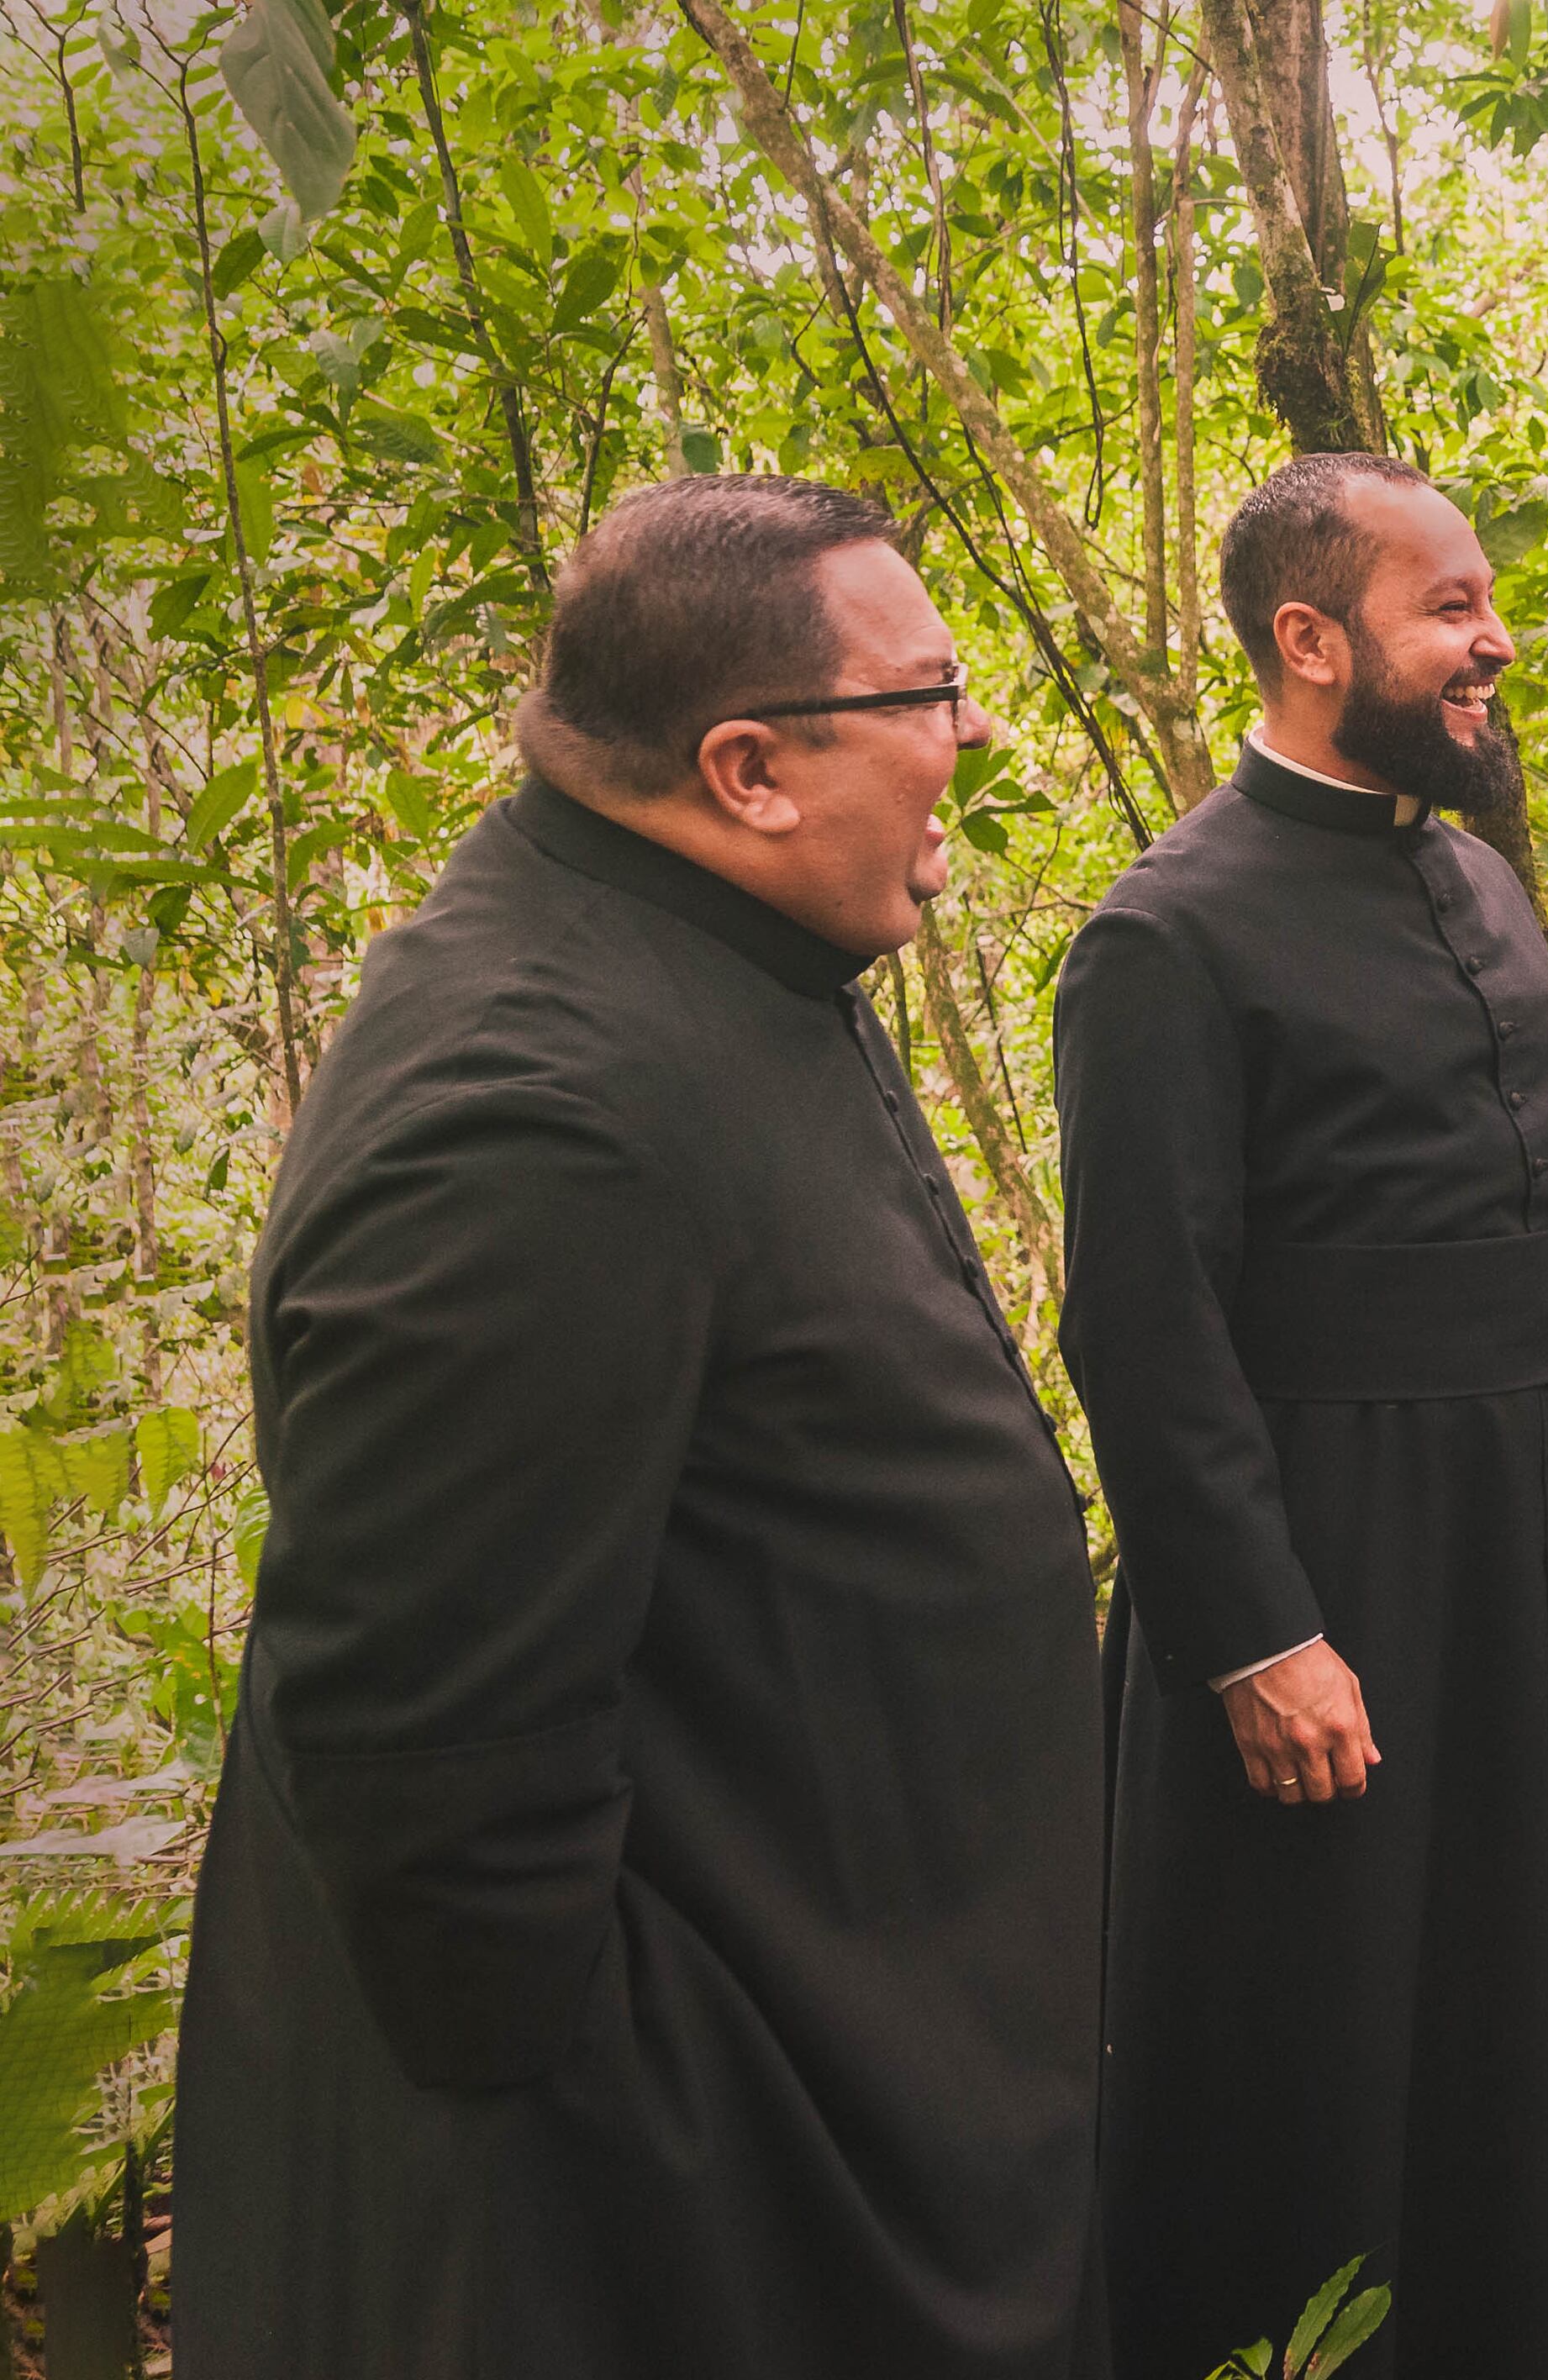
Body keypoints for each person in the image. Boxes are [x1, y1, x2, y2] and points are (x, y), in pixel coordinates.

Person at [172, 477, 1107, 2377]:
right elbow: (435, 1778)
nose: (976, 732)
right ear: (748, 770)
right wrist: (693, 2148)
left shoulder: (715, 944)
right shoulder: (533, 1113)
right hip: (697, 2201)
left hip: (859, 2074)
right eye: (928, 694)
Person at [1057, 452, 1548, 2379]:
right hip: (1332, 1554)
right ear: (1309, 641)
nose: (1494, 640)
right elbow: (1140, 1326)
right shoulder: (1166, 936)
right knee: (1333, 2020)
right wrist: (1256, 1637)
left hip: (1534, 1537)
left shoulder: (1477, 875)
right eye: (1450, 607)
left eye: (1490, 603)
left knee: (1537, 1983)